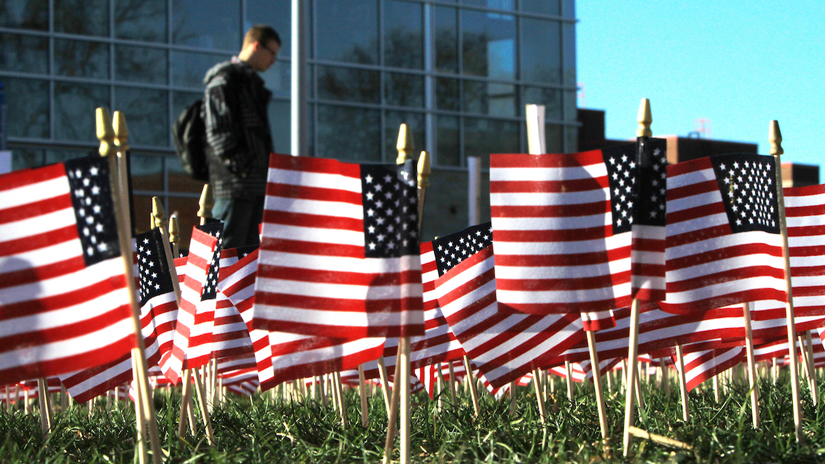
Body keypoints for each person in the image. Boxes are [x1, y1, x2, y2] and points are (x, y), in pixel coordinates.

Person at [202, 25, 280, 248]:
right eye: (272, 53)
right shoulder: (225, 80)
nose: (273, 61)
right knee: (227, 253)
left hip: (253, 185)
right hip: (234, 186)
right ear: (256, 46)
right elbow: (218, 132)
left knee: (249, 257)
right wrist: (244, 167)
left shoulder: (249, 83)